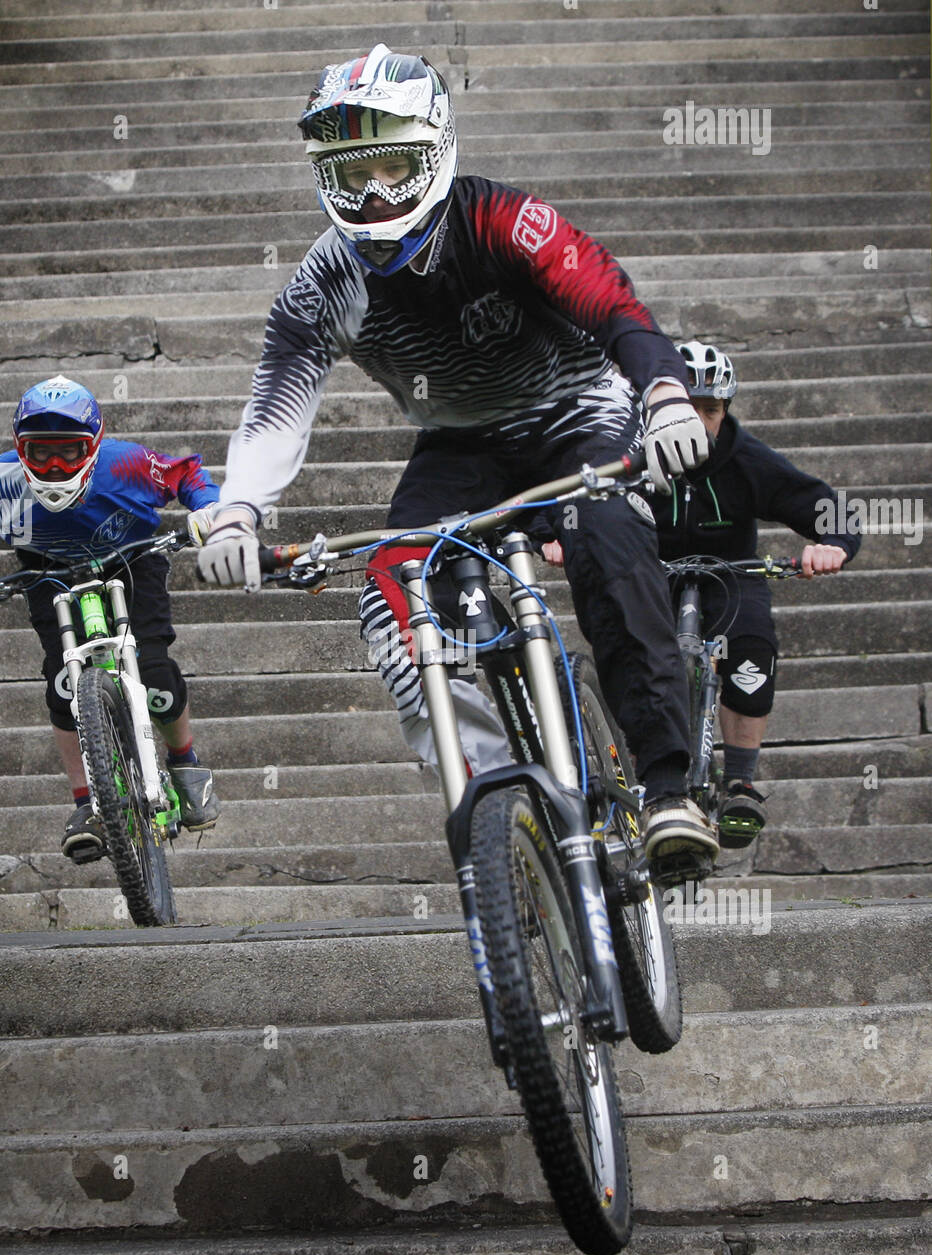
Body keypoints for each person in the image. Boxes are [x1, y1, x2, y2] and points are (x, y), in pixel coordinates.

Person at [196, 43, 721, 880]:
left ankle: (666, 789)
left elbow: (609, 299)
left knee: (612, 546)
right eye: (349, 175)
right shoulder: (322, 282)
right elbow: (275, 408)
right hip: (460, 442)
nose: (370, 197)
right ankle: (493, 798)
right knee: (392, 590)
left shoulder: (503, 221)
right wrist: (236, 509)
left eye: (393, 168)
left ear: (437, 150)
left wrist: (661, 395)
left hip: (577, 413)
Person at [0, 374, 222, 862]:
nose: (55, 466)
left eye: (69, 450)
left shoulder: (128, 464)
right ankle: (87, 803)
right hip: (47, 573)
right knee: (63, 688)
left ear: (95, 445)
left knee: (157, 678)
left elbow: (186, 473)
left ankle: (186, 765)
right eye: (40, 452)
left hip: (132, 559)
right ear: (19, 449)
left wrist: (210, 508)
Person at [649, 340, 860, 845]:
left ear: (726, 410)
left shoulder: (745, 458)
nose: (699, 421)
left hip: (733, 574)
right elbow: (580, 497)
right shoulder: (632, 455)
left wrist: (831, 544)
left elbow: (822, 506)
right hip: (651, 574)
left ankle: (740, 779)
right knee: (636, 656)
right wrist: (558, 533)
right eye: (688, 408)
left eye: (711, 409)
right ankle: (651, 777)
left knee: (752, 647)